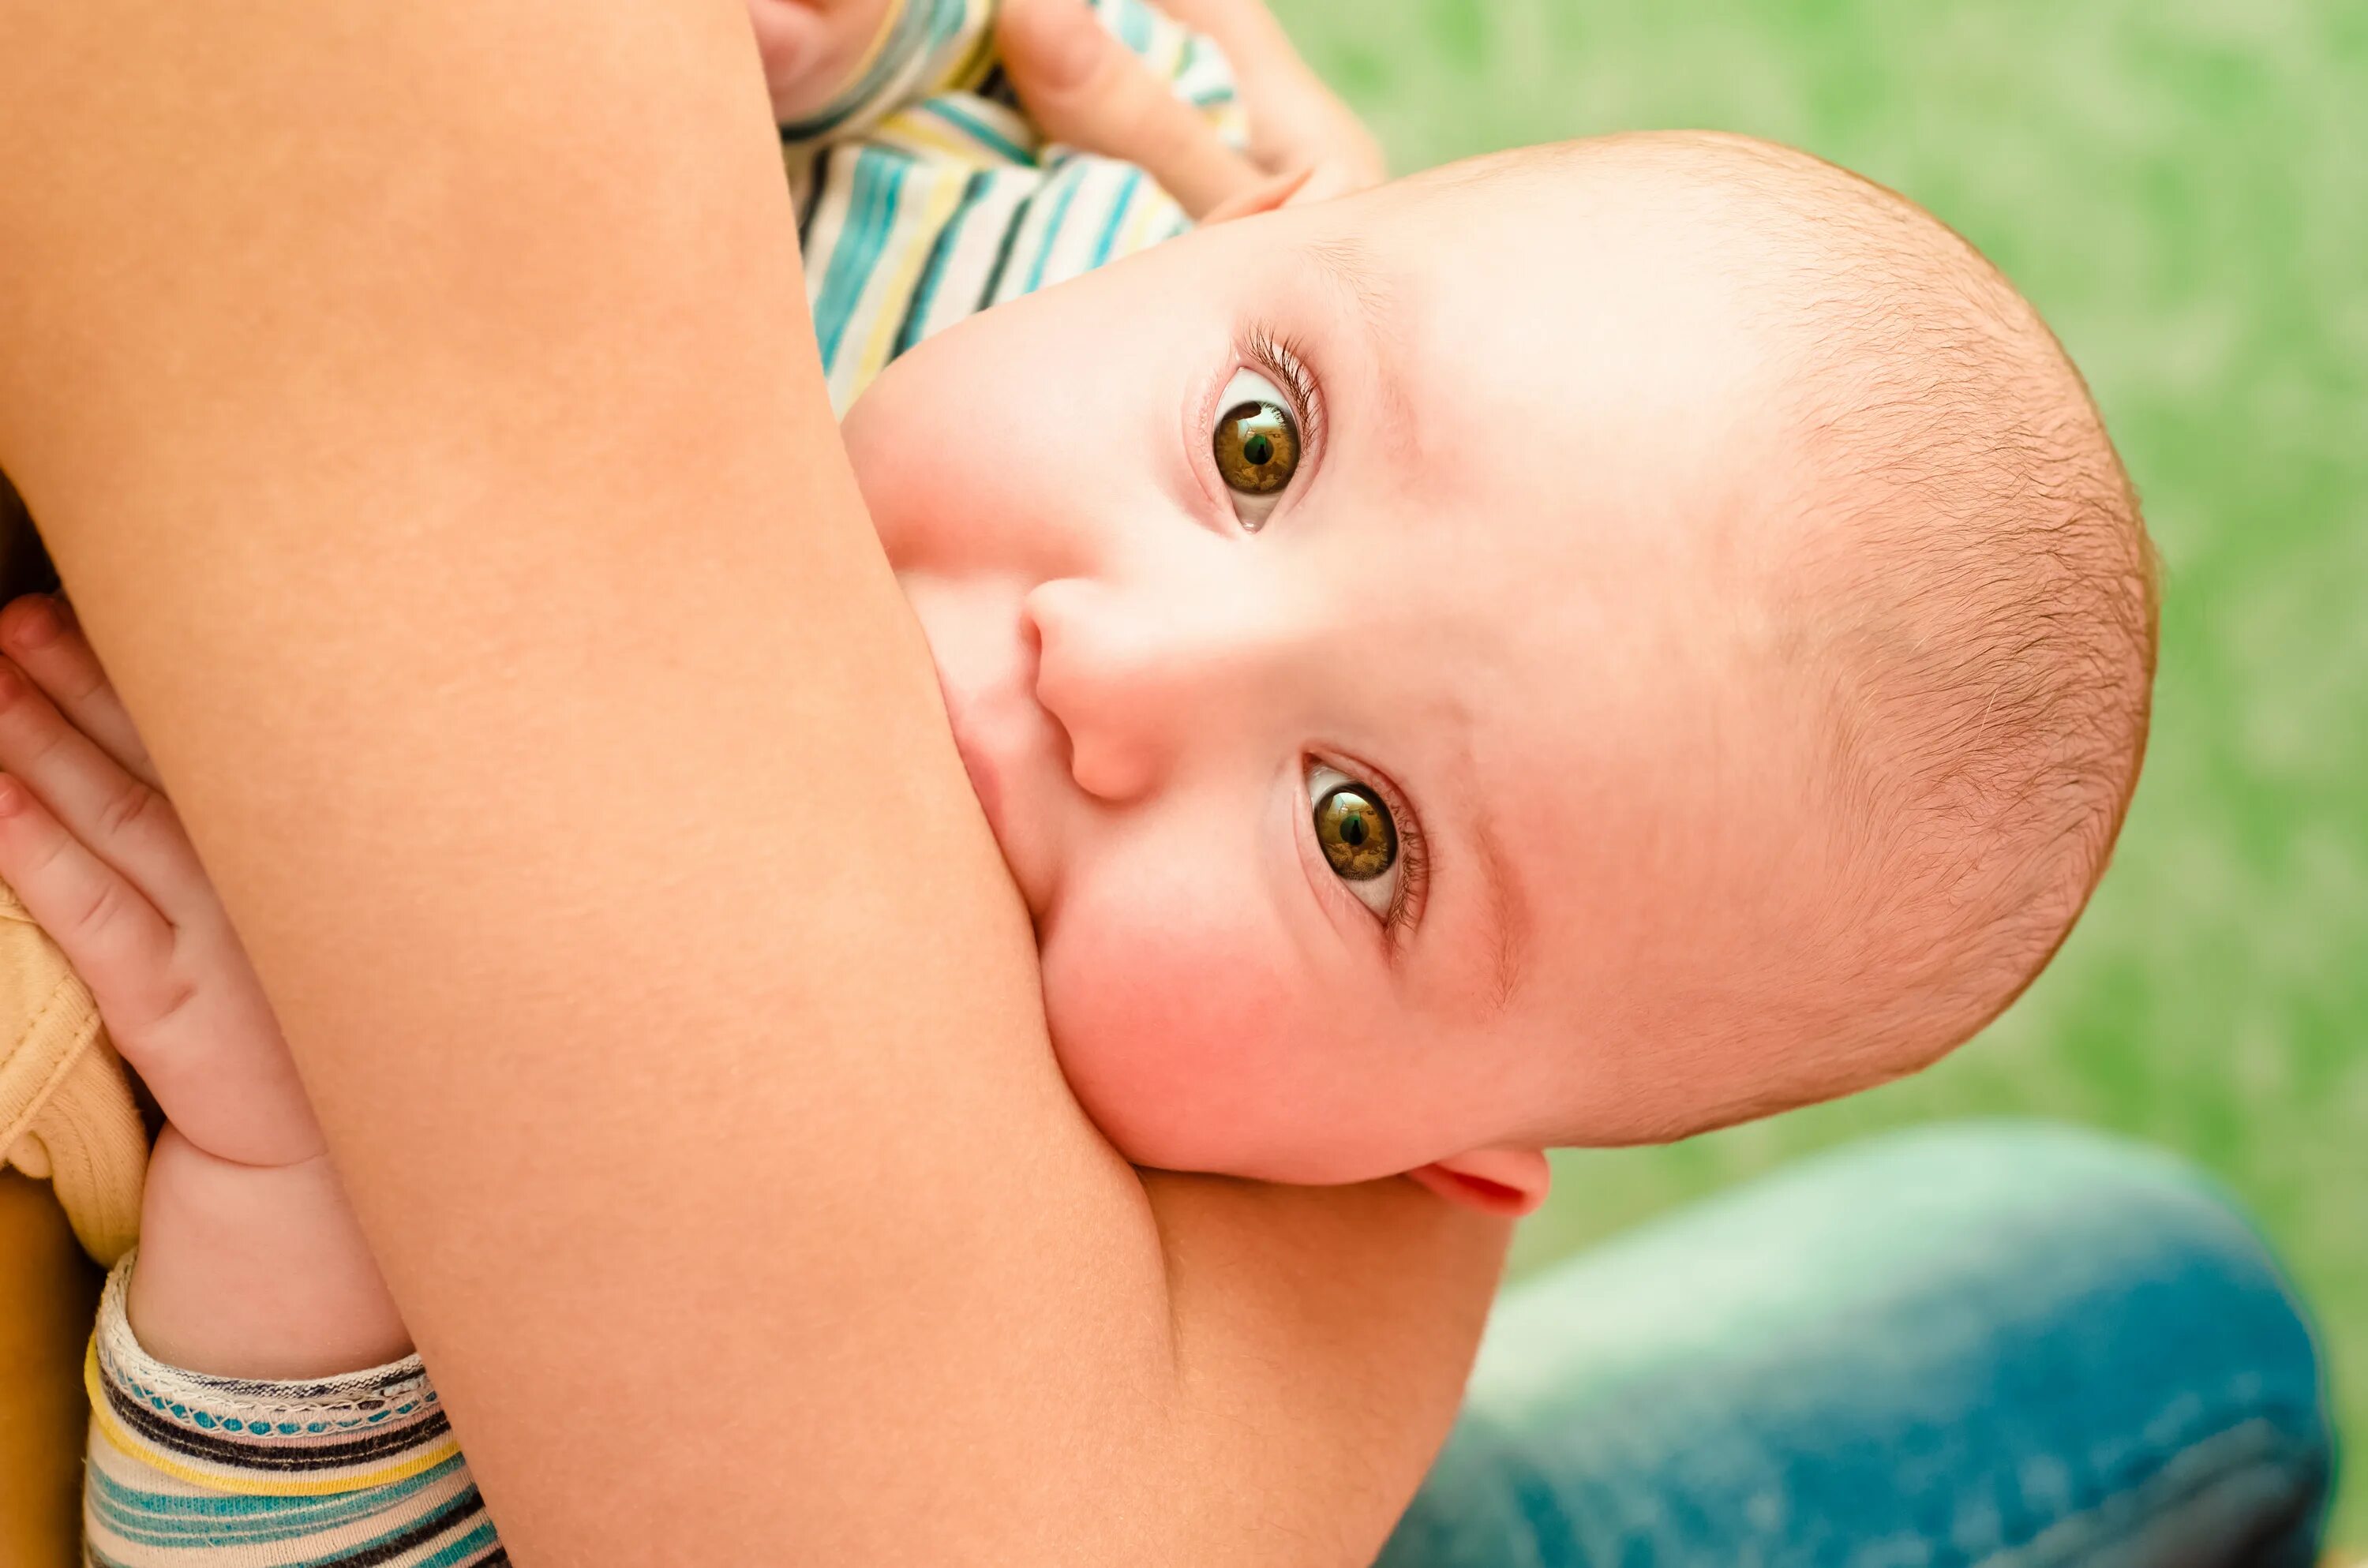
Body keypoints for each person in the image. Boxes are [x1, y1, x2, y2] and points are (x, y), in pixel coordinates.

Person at [0, 1, 2334, 1563]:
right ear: (1261, 244)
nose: (1115, 657)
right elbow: (1005, 68)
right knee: (2161, 1320)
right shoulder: (1048, 247)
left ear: (1431, 1156)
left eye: (1358, 834)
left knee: (2162, 1294)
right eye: (1257, 441)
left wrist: (289, 1242)